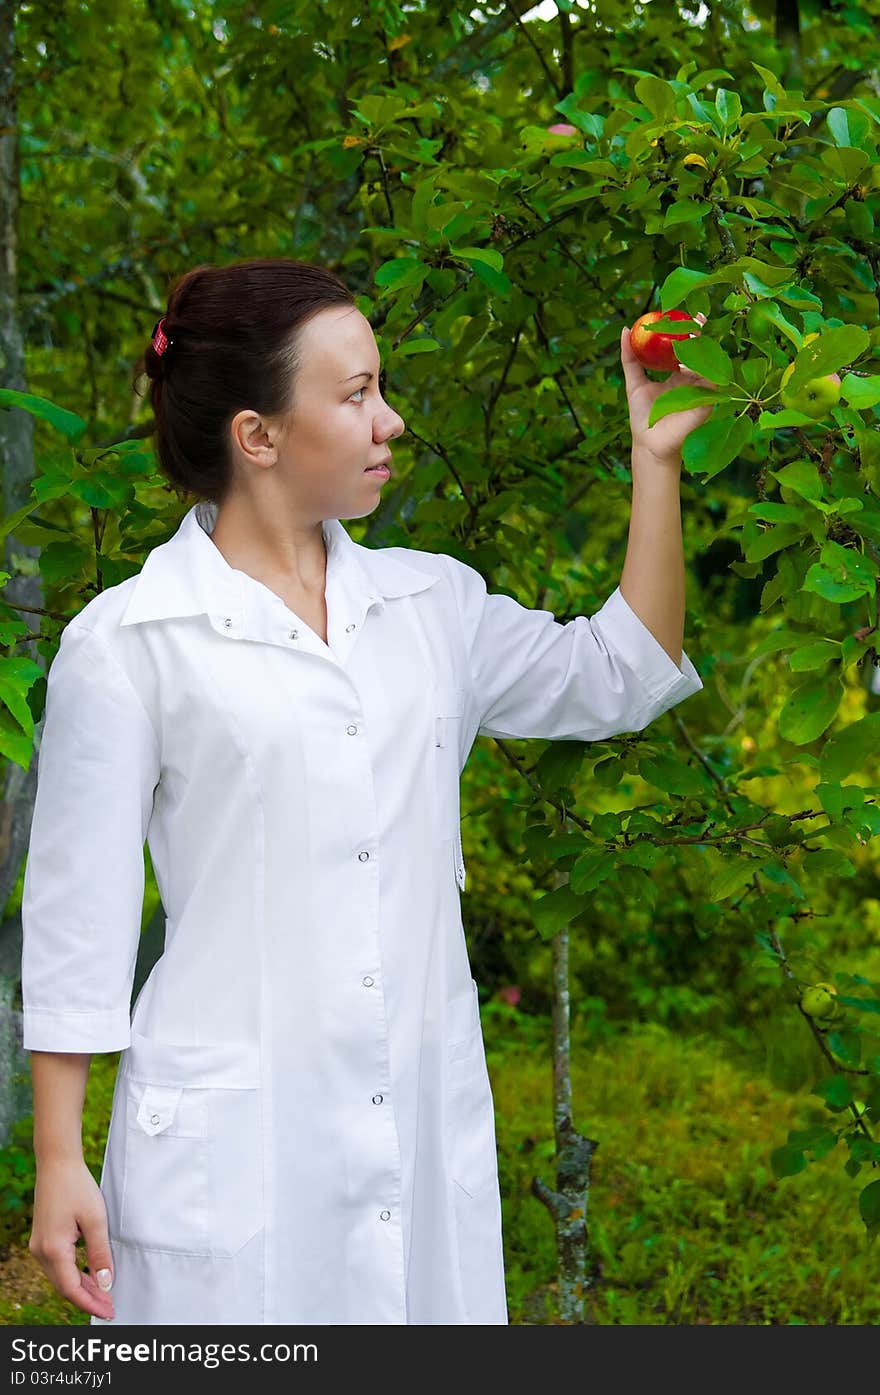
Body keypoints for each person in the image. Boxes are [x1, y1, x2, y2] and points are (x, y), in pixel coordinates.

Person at [20, 257, 710, 1326]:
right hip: (233, 1142)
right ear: (258, 436)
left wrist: (653, 460)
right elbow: (78, 929)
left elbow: (620, 673)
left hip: (417, 1125)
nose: (390, 421)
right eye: (355, 395)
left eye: (380, 387)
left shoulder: (430, 604)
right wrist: (59, 1159)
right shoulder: (127, 642)